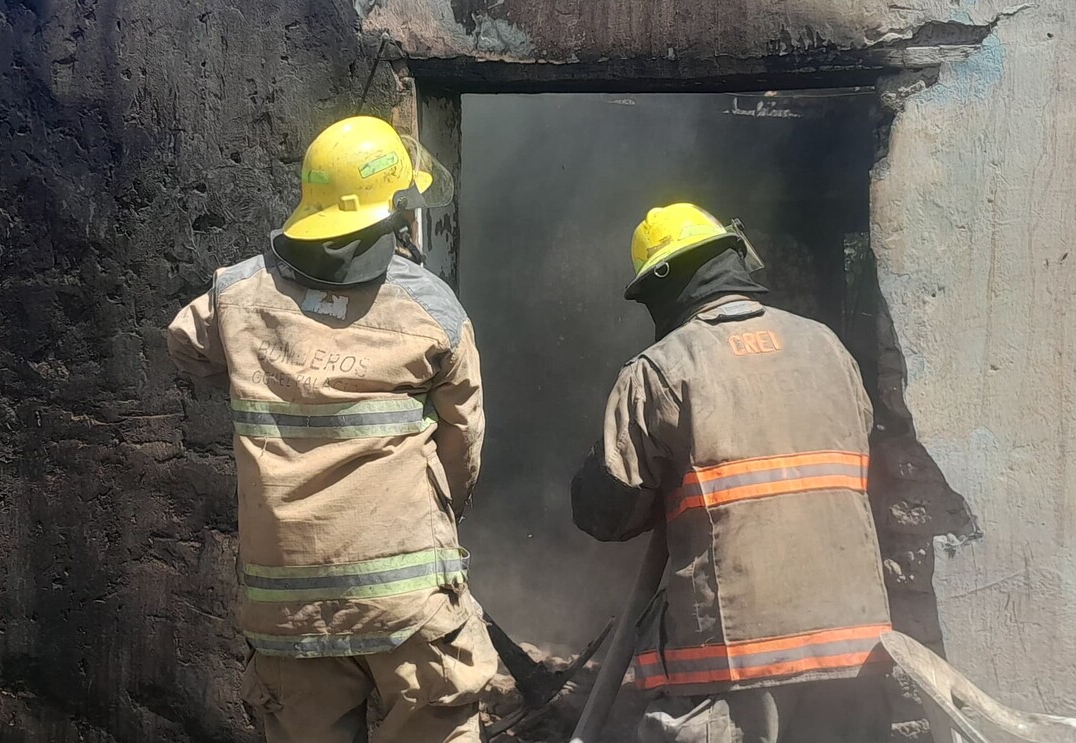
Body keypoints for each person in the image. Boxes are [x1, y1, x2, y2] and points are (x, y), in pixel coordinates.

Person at [167, 116, 496, 743]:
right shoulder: (432, 308)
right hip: (408, 598)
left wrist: (254, 382)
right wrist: (444, 518)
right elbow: (463, 440)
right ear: (399, 208)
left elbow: (185, 342)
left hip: (289, 611)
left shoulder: (234, 296)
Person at [571, 203, 893, 743]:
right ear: (734, 260)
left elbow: (606, 512)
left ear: (659, 288)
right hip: (857, 648)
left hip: (734, 662)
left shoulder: (661, 370)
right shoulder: (829, 348)